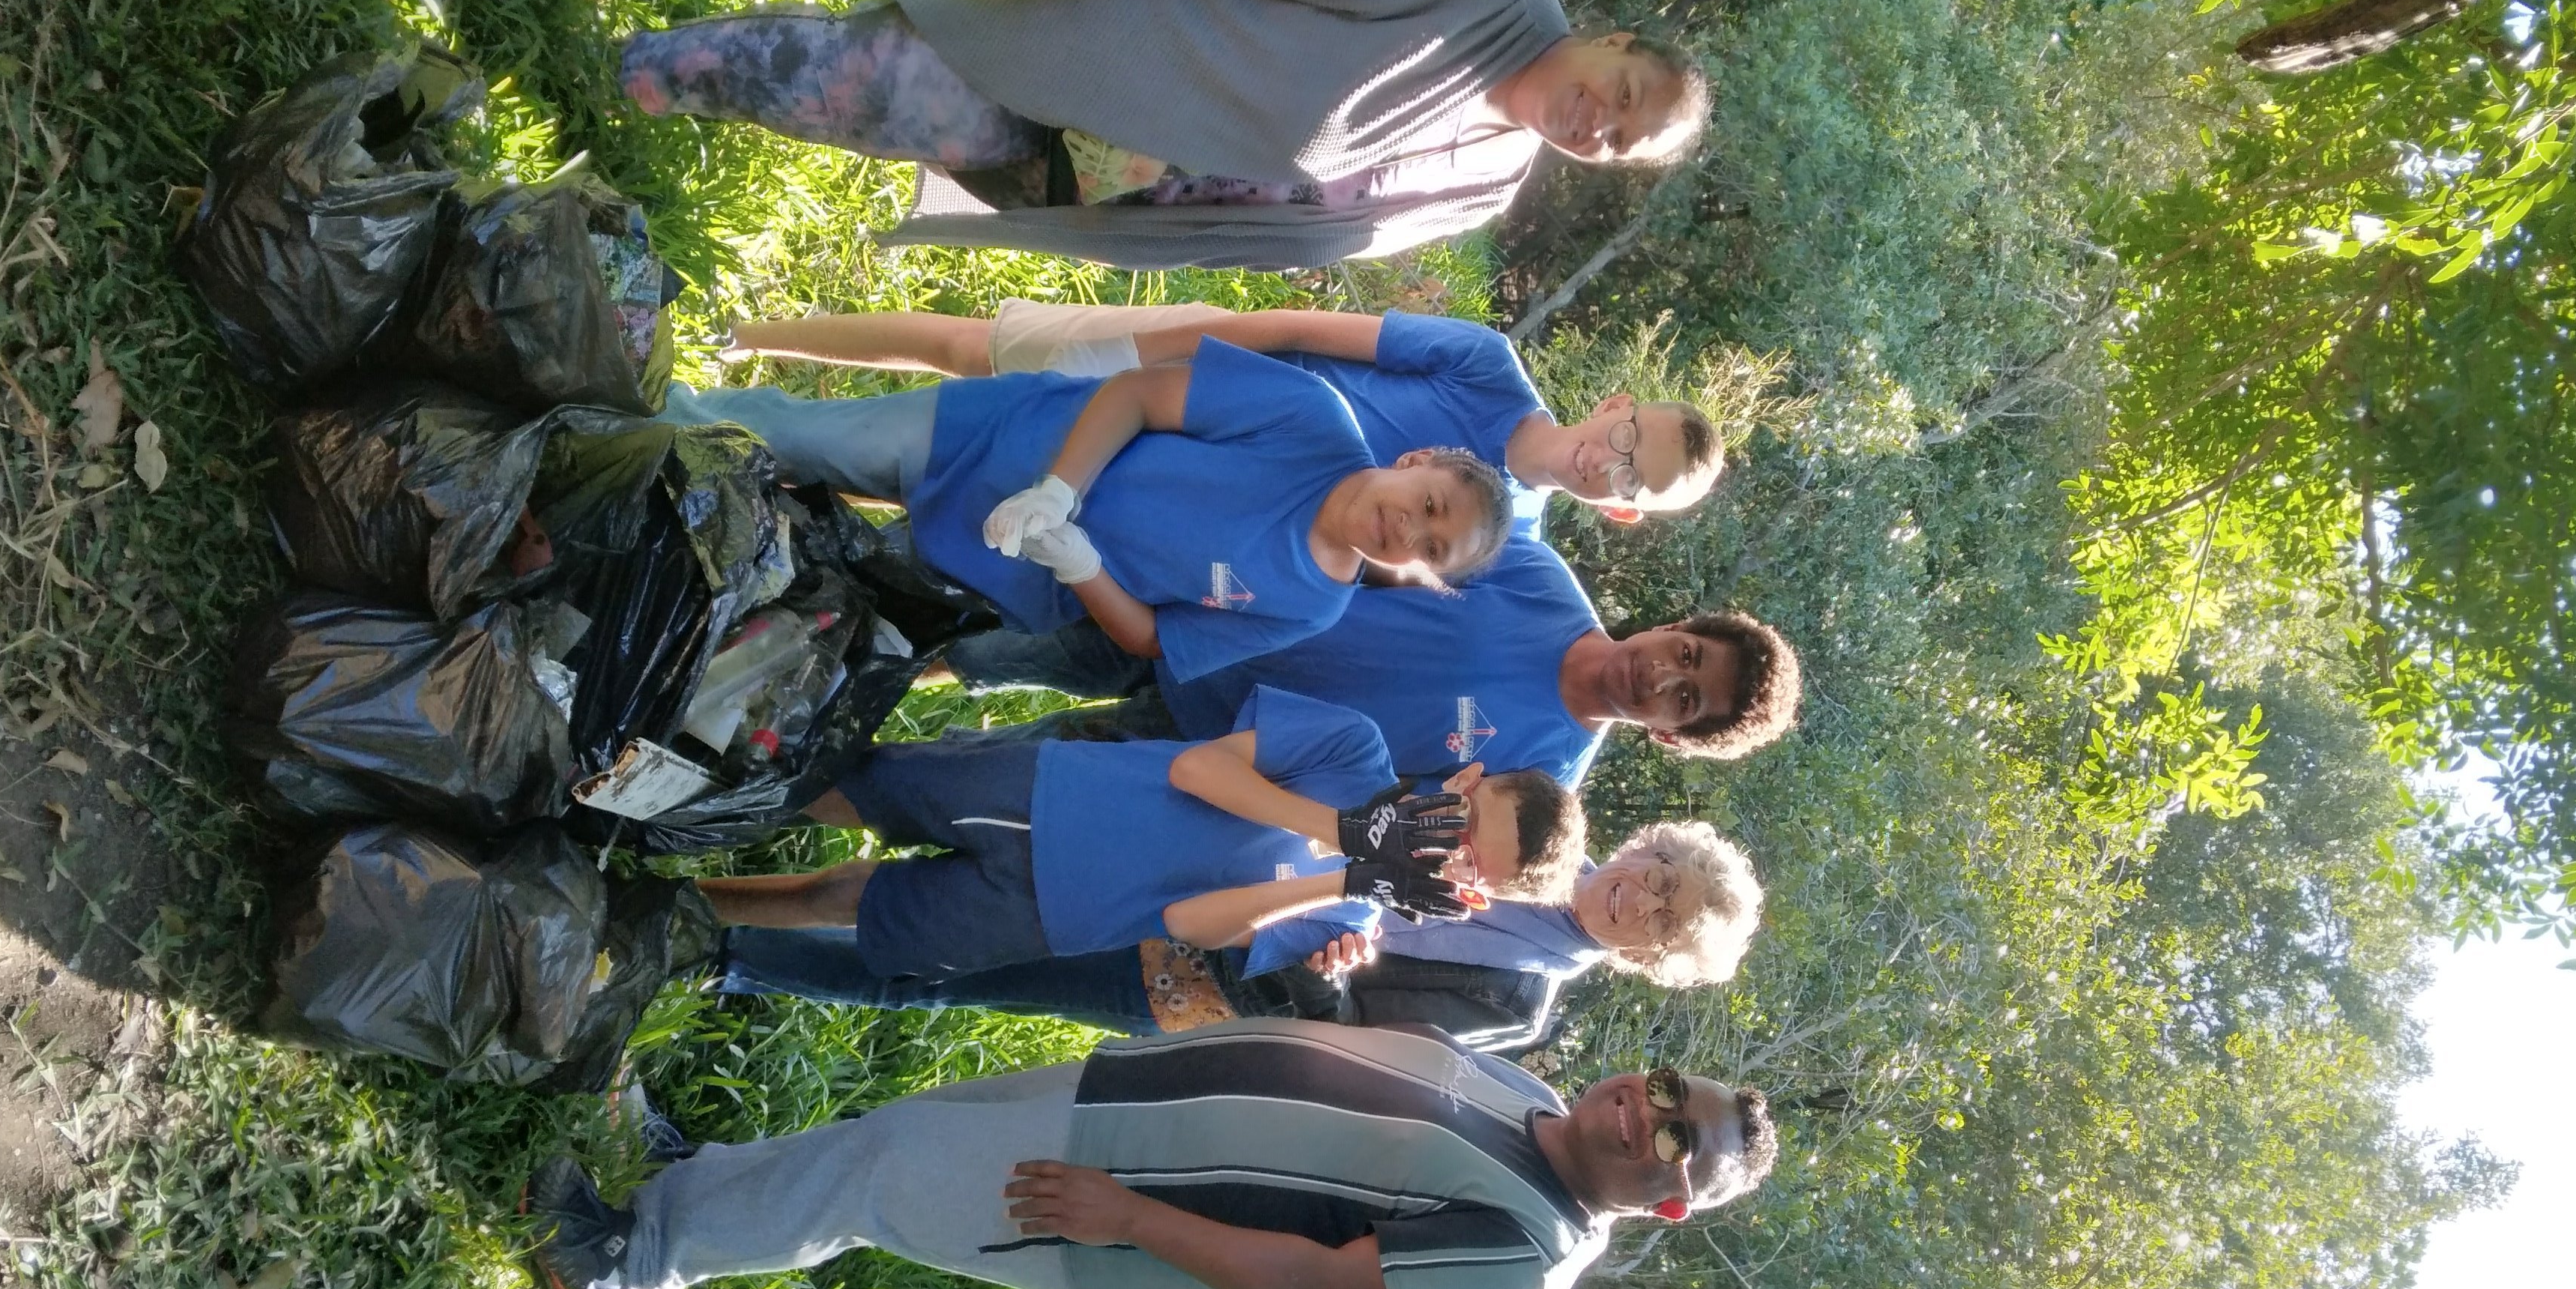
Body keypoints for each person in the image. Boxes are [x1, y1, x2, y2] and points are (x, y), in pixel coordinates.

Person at [616, 0, 1711, 268]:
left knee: (858, 117)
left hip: (1097, 187)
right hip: (1086, 56)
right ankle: (634, 70)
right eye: (1622, 92)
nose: (1599, 125)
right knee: (847, 85)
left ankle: (661, 81)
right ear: (1612, 41)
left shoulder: (1489, 180)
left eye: (1620, 142)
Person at [529, 1023, 1776, 1289]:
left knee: (880, 1181)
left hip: (1114, 1205)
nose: (1649, 1109)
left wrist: (1131, 1217)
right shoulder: (1531, 1096)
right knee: (895, 1136)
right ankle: (697, 1188)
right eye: (1671, 1088)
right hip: (1123, 1099)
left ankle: (621, 1263)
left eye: (1678, 1140)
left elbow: (1321, 1286)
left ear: (1670, 1202)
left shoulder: (1526, 1260)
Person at [659, 338, 1513, 679]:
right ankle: (639, 420)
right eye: (1429, 503)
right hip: (994, 436)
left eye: (1432, 548)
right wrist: (1058, 490)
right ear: (1416, 462)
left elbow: (1153, 638)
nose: (1410, 529)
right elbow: (1138, 393)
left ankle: (635, 527)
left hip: (995, 571)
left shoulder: (1312, 604)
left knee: (773, 586)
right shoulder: (1312, 416)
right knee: (793, 439)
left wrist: (1081, 566)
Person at [692, 698, 1579, 982]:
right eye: (1470, 822)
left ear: (1471, 896)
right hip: (1048, 796)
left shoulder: (1348, 922)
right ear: (1466, 780)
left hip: (1051, 916)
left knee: (844, 903)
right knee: (846, 792)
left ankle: (683, 903)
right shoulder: (1354, 745)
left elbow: (1189, 923)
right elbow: (1197, 771)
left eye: (1472, 864)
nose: (1454, 847)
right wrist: (1344, 830)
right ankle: (680, 796)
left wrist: (1347, 880)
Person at [714, 812, 1763, 1052]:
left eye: (1660, 922)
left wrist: (1333, 973)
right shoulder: (1532, 816)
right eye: (1658, 879)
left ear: (1645, 961)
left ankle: (715, 956)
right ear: (1645, 846)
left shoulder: (1518, 1004)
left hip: (1200, 981)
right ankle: (719, 885)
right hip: (1201, 861)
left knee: (948, 974)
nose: (1638, 900)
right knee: (956, 880)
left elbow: (1349, 1044)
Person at [728, 301, 1727, 521]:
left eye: (1633, 478)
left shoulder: (1502, 542)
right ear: (1616, 404)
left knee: (947, 490)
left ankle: (755, 474)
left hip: (1183, 489)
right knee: (972, 352)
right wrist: (1154, 347)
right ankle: (752, 334)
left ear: (1623, 511)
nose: (1609, 461)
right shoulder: (1485, 365)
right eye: (1628, 438)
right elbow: (1299, 328)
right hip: (1185, 372)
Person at [948, 534, 1801, 786]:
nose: (1660, 676)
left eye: (1684, 699)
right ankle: (885, 650)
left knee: (1009, 768)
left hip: (1204, 751)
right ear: (1674, 625)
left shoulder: (1539, 778)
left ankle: (873, 774)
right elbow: (1380, 553)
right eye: (1684, 654)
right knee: (986, 648)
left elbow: (1382, 809)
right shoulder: (1537, 577)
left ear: (1670, 736)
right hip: (1207, 626)